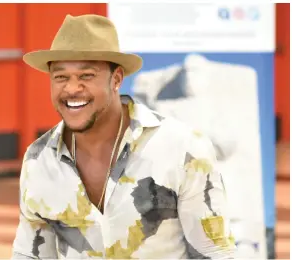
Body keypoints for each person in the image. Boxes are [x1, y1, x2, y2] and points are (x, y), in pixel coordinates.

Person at [12, 14, 236, 259]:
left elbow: (215, 252)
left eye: (86, 76)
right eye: (61, 77)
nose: (72, 88)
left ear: (116, 79)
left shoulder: (183, 148)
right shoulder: (39, 159)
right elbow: (30, 254)